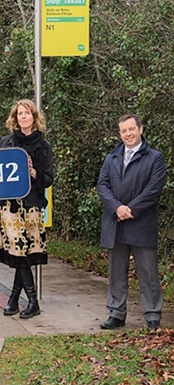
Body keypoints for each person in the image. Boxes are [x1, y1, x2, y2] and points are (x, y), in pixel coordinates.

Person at [96, 113, 166, 330]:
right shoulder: (112, 157)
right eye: (123, 130)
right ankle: (116, 313)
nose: (128, 134)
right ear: (120, 133)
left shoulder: (155, 158)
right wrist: (116, 207)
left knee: (148, 273)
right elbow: (102, 185)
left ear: (140, 129)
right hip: (115, 223)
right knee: (116, 273)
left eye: (131, 129)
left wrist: (131, 209)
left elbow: (154, 189)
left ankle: (153, 314)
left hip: (141, 223)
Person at [0, 99, 54, 319]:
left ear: (34, 117)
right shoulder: (6, 142)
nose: (23, 117)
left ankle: (14, 300)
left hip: (32, 205)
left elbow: (48, 179)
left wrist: (33, 173)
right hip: (10, 206)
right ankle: (32, 302)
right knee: (18, 253)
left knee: (26, 254)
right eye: (20, 113)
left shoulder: (44, 147)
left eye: (27, 113)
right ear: (15, 118)